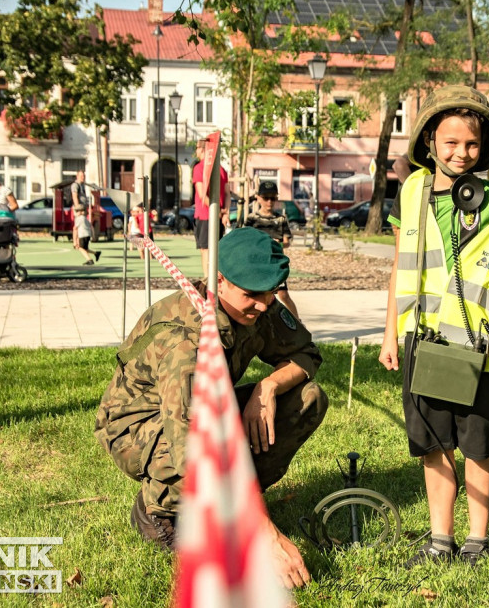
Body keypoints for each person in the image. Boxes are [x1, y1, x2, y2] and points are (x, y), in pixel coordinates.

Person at [94, 228, 325, 589]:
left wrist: (267, 388)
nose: (264, 305)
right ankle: (159, 510)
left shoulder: (255, 304)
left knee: (307, 397)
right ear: (220, 280)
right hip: (140, 430)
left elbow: (307, 354)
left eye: (270, 292)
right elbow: (191, 451)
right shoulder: (185, 343)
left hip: (204, 407)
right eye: (252, 295)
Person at [379, 85, 489, 567]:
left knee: (477, 446)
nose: (462, 153)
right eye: (451, 143)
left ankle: (476, 540)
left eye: (472, 144)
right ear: (429, 144)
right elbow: (401, 262)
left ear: (484, 148)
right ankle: (441, 538)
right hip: (423, 341)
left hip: (477, 347)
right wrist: (389, 333)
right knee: (434, 446)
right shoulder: (413, 191)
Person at [244, 180, 300, 319]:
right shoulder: (252, 219)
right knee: (257, 295)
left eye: (273, 198)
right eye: (266, 198)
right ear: (258, 198)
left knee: (283, 295)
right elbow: (245, 240)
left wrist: (277, 244)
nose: (269, 201)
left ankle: (298, 324)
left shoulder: (280, 219)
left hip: (275, 263)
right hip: (257, 264)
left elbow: (287, 242)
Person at [191, 141, 231, 278]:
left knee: (205, 249)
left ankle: (208, 279)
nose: (195, 151)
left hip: (205, 215)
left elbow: (202, 195)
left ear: (202, 150)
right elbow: (227, 194)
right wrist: (225, 212)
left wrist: (217, 212)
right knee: (215, 249)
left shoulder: (199, 168)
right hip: (217, 215)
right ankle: (215, 278)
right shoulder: (221, 169)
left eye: (196, 148)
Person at [70, 170, 90, 249]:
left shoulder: (82, 185)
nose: (83, 177)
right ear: (77, 176)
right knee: (76, 226)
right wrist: (78, 209)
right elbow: (75, 196)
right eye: (81, 176)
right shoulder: (75, 185)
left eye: (84, 176)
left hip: (83, 208)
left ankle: (78, 241)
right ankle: (75, 242)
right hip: (79, 209)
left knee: (81, 226)